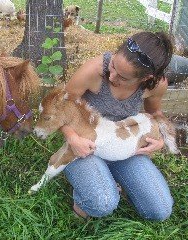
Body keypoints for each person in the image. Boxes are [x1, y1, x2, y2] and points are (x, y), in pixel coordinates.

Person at [62, 31, 174, 221]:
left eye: (122, 77)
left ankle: (111, 179)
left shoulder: (156, 85)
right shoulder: (93, 70)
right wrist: (73, 138)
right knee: (102, 203)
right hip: (86, 146)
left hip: (125, 149)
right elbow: (61, 107)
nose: (112, 76)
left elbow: (155, 114)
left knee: (160, 211)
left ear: (146, 78)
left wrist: (162, 139)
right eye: (113, 65)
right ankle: (88, 191)